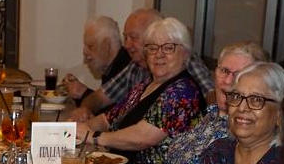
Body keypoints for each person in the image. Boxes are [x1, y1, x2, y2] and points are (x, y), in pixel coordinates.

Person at [75, 17, 203, 164]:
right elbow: (108, 118)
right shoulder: (145, 85)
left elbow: (143, 137)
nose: (159, 54)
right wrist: (77, 129)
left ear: (185, 53)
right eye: (152, 48)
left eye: (168, 48)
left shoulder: (183, 92)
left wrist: (95, 137)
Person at [148, 41, 268, 164]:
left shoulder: (241, 134)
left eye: (239, 75)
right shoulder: (209, 116)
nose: (228, 81)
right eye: (224, 71)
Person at [68, 8, 214, 121]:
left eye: (133, 37)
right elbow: (101, 98)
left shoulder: (184, 60)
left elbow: (212, 95)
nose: (126, 45)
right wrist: (84, 110)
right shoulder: (136, 66)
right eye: (125, 38)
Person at [62, 16, 130, 105]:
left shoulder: (127, 68)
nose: (84, 52)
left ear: (106, 45)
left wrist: (82, 93)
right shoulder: (112, 68)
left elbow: (113, 111)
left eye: (90, 46)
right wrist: (80, 92)